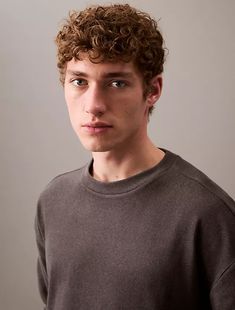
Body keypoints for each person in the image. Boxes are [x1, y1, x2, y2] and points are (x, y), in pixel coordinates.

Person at [35, 4, 235, 310]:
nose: (93, 105)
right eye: (79, 81)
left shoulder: (207, 214)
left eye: (116, 83)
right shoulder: (53, 201)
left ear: (152, 90)